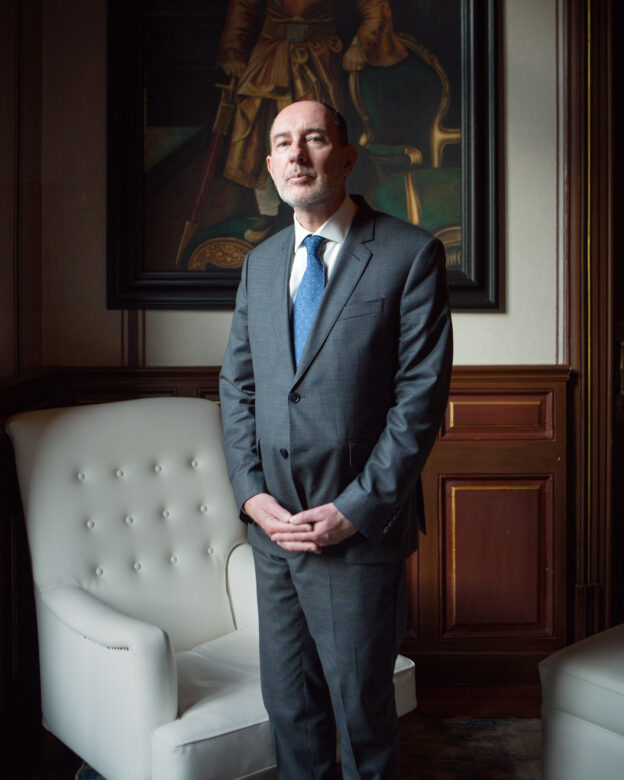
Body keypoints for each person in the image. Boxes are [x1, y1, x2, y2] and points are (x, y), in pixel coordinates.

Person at [219, 100, 453, 779]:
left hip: (357, 533)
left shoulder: (410, 254)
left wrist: (356, 509)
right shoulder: (260, 265)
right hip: (274, 532)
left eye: (313, 139)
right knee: (291, 712)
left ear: (346, 156)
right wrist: (250, 496)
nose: (296, 154)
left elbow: (419, 401)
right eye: (283, 143)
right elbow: (237, 389)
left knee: (362, 717)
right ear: (268, 166)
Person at [215, 0, 407, 242]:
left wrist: (360, 44)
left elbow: (374, 7)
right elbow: (241, 10)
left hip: (319, 63)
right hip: (269, 62)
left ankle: (321, 218)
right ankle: (267, 213)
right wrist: (233, 51)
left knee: (318, 138)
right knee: (257, 137)